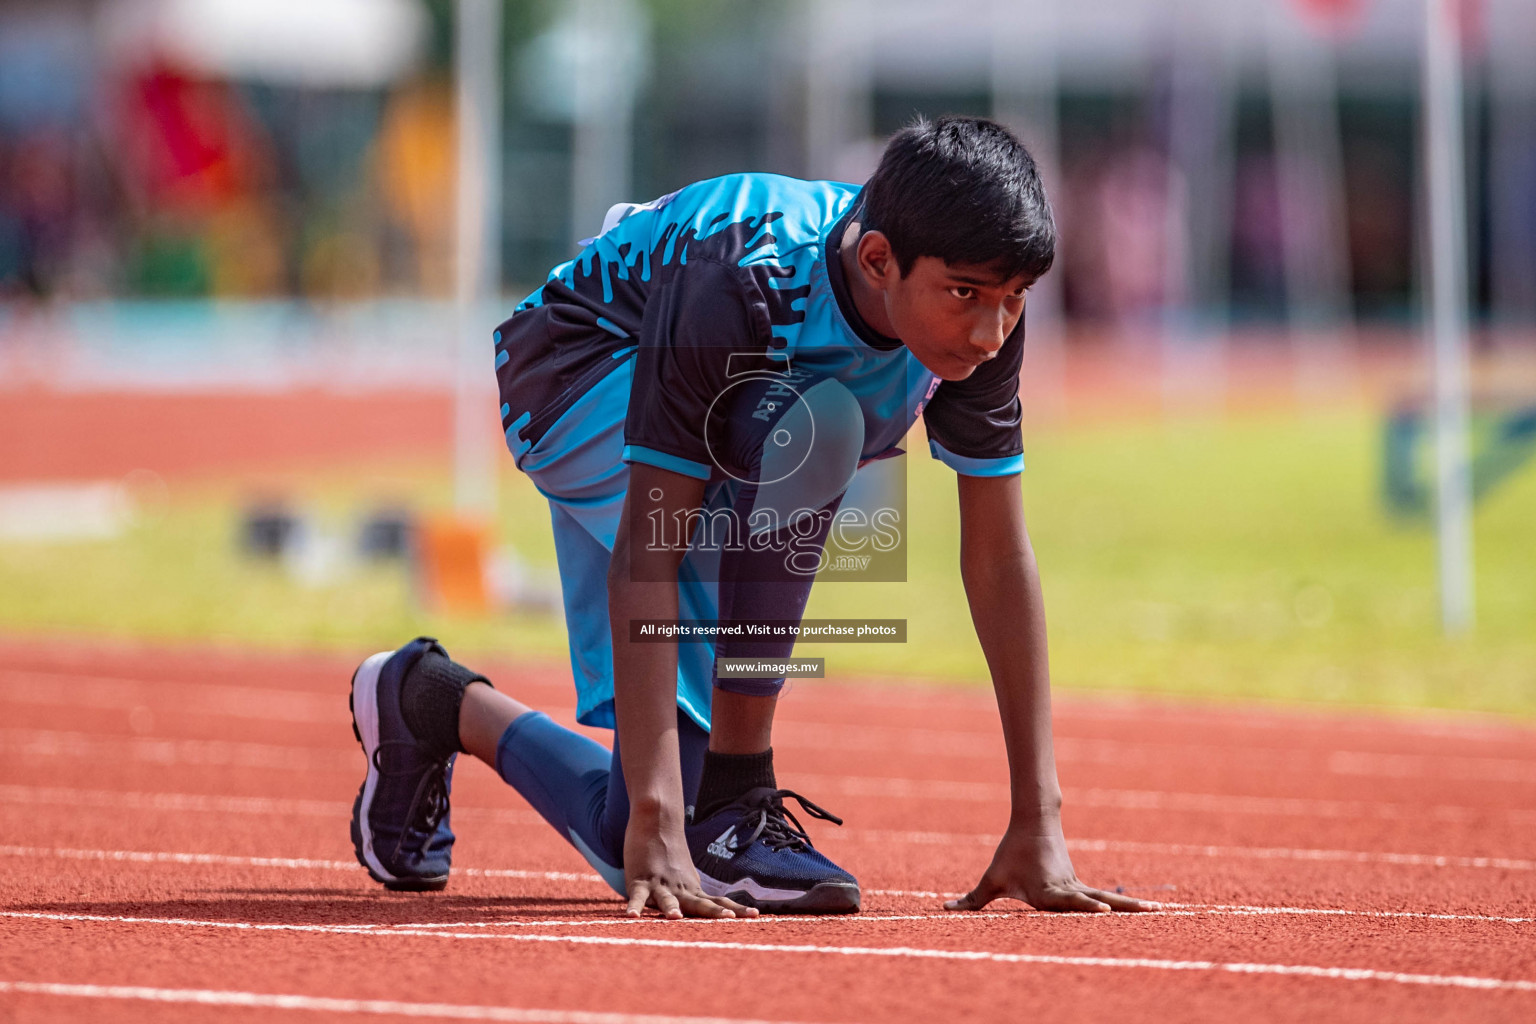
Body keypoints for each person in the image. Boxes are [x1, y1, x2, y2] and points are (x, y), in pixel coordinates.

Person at [348, 115, 1158, 919]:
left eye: (1015, 300)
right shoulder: (742, 270)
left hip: (744, 425)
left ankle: (429, 699)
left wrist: (1037, 821)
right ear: (879, 261)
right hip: (574, 369)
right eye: (967, 296)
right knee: (820, 427)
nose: (991, 330)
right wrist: (669, 820)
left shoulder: (982, 313)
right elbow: (649, 549)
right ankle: (738, 794)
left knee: (633, 824)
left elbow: (998, 558)